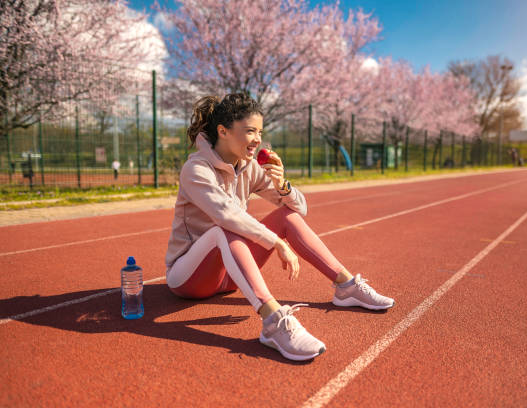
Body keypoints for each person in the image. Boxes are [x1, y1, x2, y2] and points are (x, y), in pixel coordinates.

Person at [164, 94, 394, 361]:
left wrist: (282, 184)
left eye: (260, 131)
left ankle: (346, 287)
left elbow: (299, 210)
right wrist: (275, 243)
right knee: (223, 230)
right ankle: (274, 322)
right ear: (223, 131)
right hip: (189, 279)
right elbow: (225, 215)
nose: (258, 139)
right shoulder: (196, 169)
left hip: (229, 276)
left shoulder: (248, 167)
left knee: (286, 216)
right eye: (250, 131)